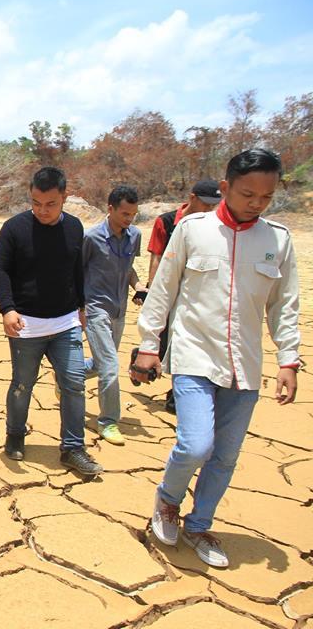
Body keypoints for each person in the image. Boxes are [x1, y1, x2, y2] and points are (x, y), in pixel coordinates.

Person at [134, 149, 299, 568]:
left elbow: (284, 306)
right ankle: (168, 501)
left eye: (266, 196)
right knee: (195, 444)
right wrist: (149, 345)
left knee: (225, 457)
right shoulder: (193, 230)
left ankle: (199, 525)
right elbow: (163, 290)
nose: (257, 203)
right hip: (194, 355)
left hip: (245, 365)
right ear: (225, 187)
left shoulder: (278, 240)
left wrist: (288, 360)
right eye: (247, 194)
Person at [0, 166, 103, 476]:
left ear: (64, 197)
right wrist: (7, 309)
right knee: (22, 384)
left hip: (65, 322)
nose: (42, 210)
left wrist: (81, 306)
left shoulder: (75, 228)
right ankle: (15, 434)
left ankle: (73, 448)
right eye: (36, 203)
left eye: (50, 203)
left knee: (74, 383)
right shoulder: (14, 228)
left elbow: (76, 269)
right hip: (26, 325)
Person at [145, 179, 222, 413]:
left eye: (214, 205)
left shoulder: (214, 226)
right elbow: (157, 257)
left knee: (185, 343)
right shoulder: (166, 222)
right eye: (206, 204)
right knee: (164, 340)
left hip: (194, 297)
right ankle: (142, 355)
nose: (209, 209)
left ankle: (175, 395)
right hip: (168, 291)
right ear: (192, 198)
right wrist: (151, 292)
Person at [82, 185, 146, 445]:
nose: (129, 219)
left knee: (100, 364)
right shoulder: (91, 237)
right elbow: (77, 272)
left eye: (133, 214)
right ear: (110, 209)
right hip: (95, 308)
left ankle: (68, 375)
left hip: (119, 309)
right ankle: (108, 421)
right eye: (124, 214)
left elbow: (128, 268)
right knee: (110, 366)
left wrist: (138, 286)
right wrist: (79, 307)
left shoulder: (135, 236)